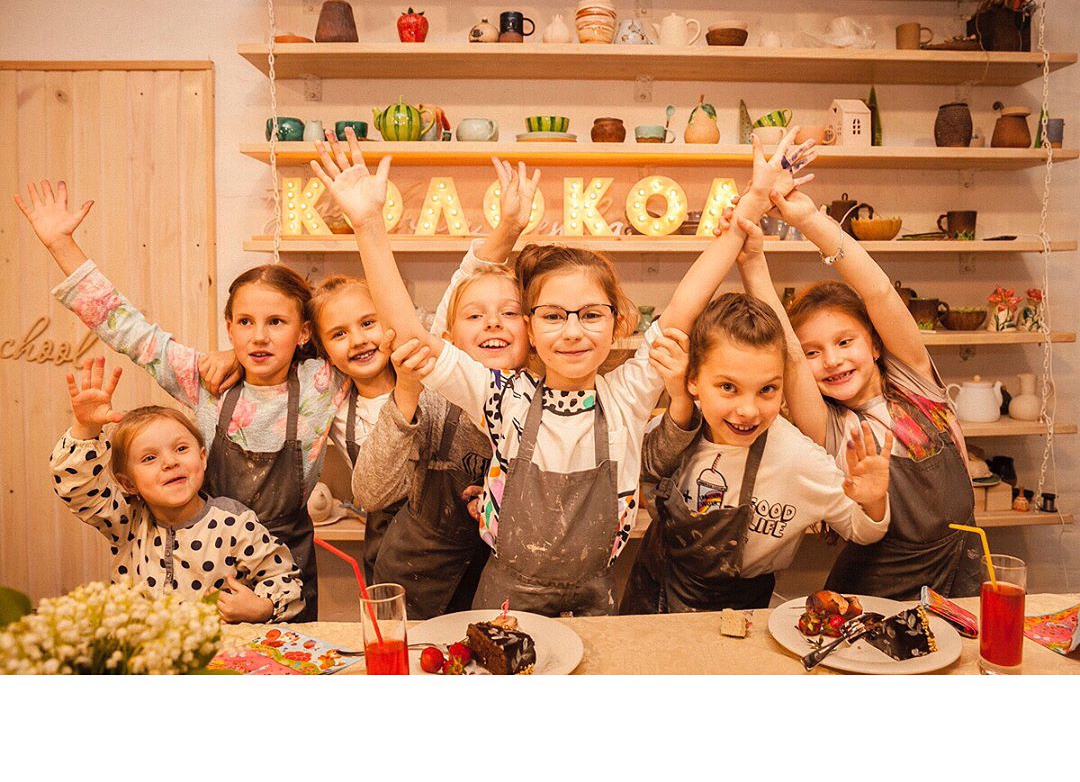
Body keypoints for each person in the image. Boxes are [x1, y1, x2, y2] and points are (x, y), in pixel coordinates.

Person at [311, 128, 818, 615]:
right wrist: (368, 224)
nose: (573, 331)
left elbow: (688, 300)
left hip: (593, 600)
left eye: (591, 314)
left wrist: (752, 204)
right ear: (530, 329)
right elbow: (412, 336)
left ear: (619, 323)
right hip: (504, 600)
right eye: (553, 316)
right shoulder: (501, 396)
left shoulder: (627, 394)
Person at [16, 180, 351, 619]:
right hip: (204, 562)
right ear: (228, 327)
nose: (259, 336)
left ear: (303, 331)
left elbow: (367, 336)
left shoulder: (322, 382)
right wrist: (61, 244)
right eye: (245, 322)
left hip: (284, 574)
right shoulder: (205, 379)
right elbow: (129, 329)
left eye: (276, 322)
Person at [733, 173, 983, 599]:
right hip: (877, 591)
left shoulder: (917, 384)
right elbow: (788, 352)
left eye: (845, 342)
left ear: (875, 344)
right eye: (814, 352)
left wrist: (810, 220)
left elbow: (879, 291)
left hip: (962, 571)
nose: (832, 360)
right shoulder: (830, 428)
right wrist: (753, 262)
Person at [620, 286, 892, 614]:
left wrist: (873, 500)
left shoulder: (798, 459)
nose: (748, 410)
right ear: (693, 380)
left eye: (767, 389)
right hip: (647, 594)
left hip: (736, 612)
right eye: (728, 387)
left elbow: (862, 531)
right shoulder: (677, 431)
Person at [355, 160, 538, 618]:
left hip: (502, 589)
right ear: (448, 336)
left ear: (533, 331)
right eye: (474, 315)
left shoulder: (544, 399)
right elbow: (370, 493)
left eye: (509, 313)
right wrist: (407, 393)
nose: (492, 322)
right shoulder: (435, 394)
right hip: (414, 586)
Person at [51, 357, 304, 622]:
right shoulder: (127, 520)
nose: (170, 462)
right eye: (149, 458)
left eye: (181, 448)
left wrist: (263, 607)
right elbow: (76, 487)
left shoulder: (235, 524)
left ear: (202, 458)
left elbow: (284, 580)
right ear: (128, 483)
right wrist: (86, 428)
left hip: (216, 647)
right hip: (143, 645)